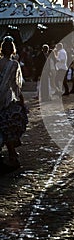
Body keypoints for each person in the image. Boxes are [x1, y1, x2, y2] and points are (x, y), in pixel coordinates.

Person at [0, 36, 28, 172]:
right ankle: (12, 155)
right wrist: (21, 100)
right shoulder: (14, 64)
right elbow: (16, 85)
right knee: (8, 126)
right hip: (7, 98)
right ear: (12, 50)